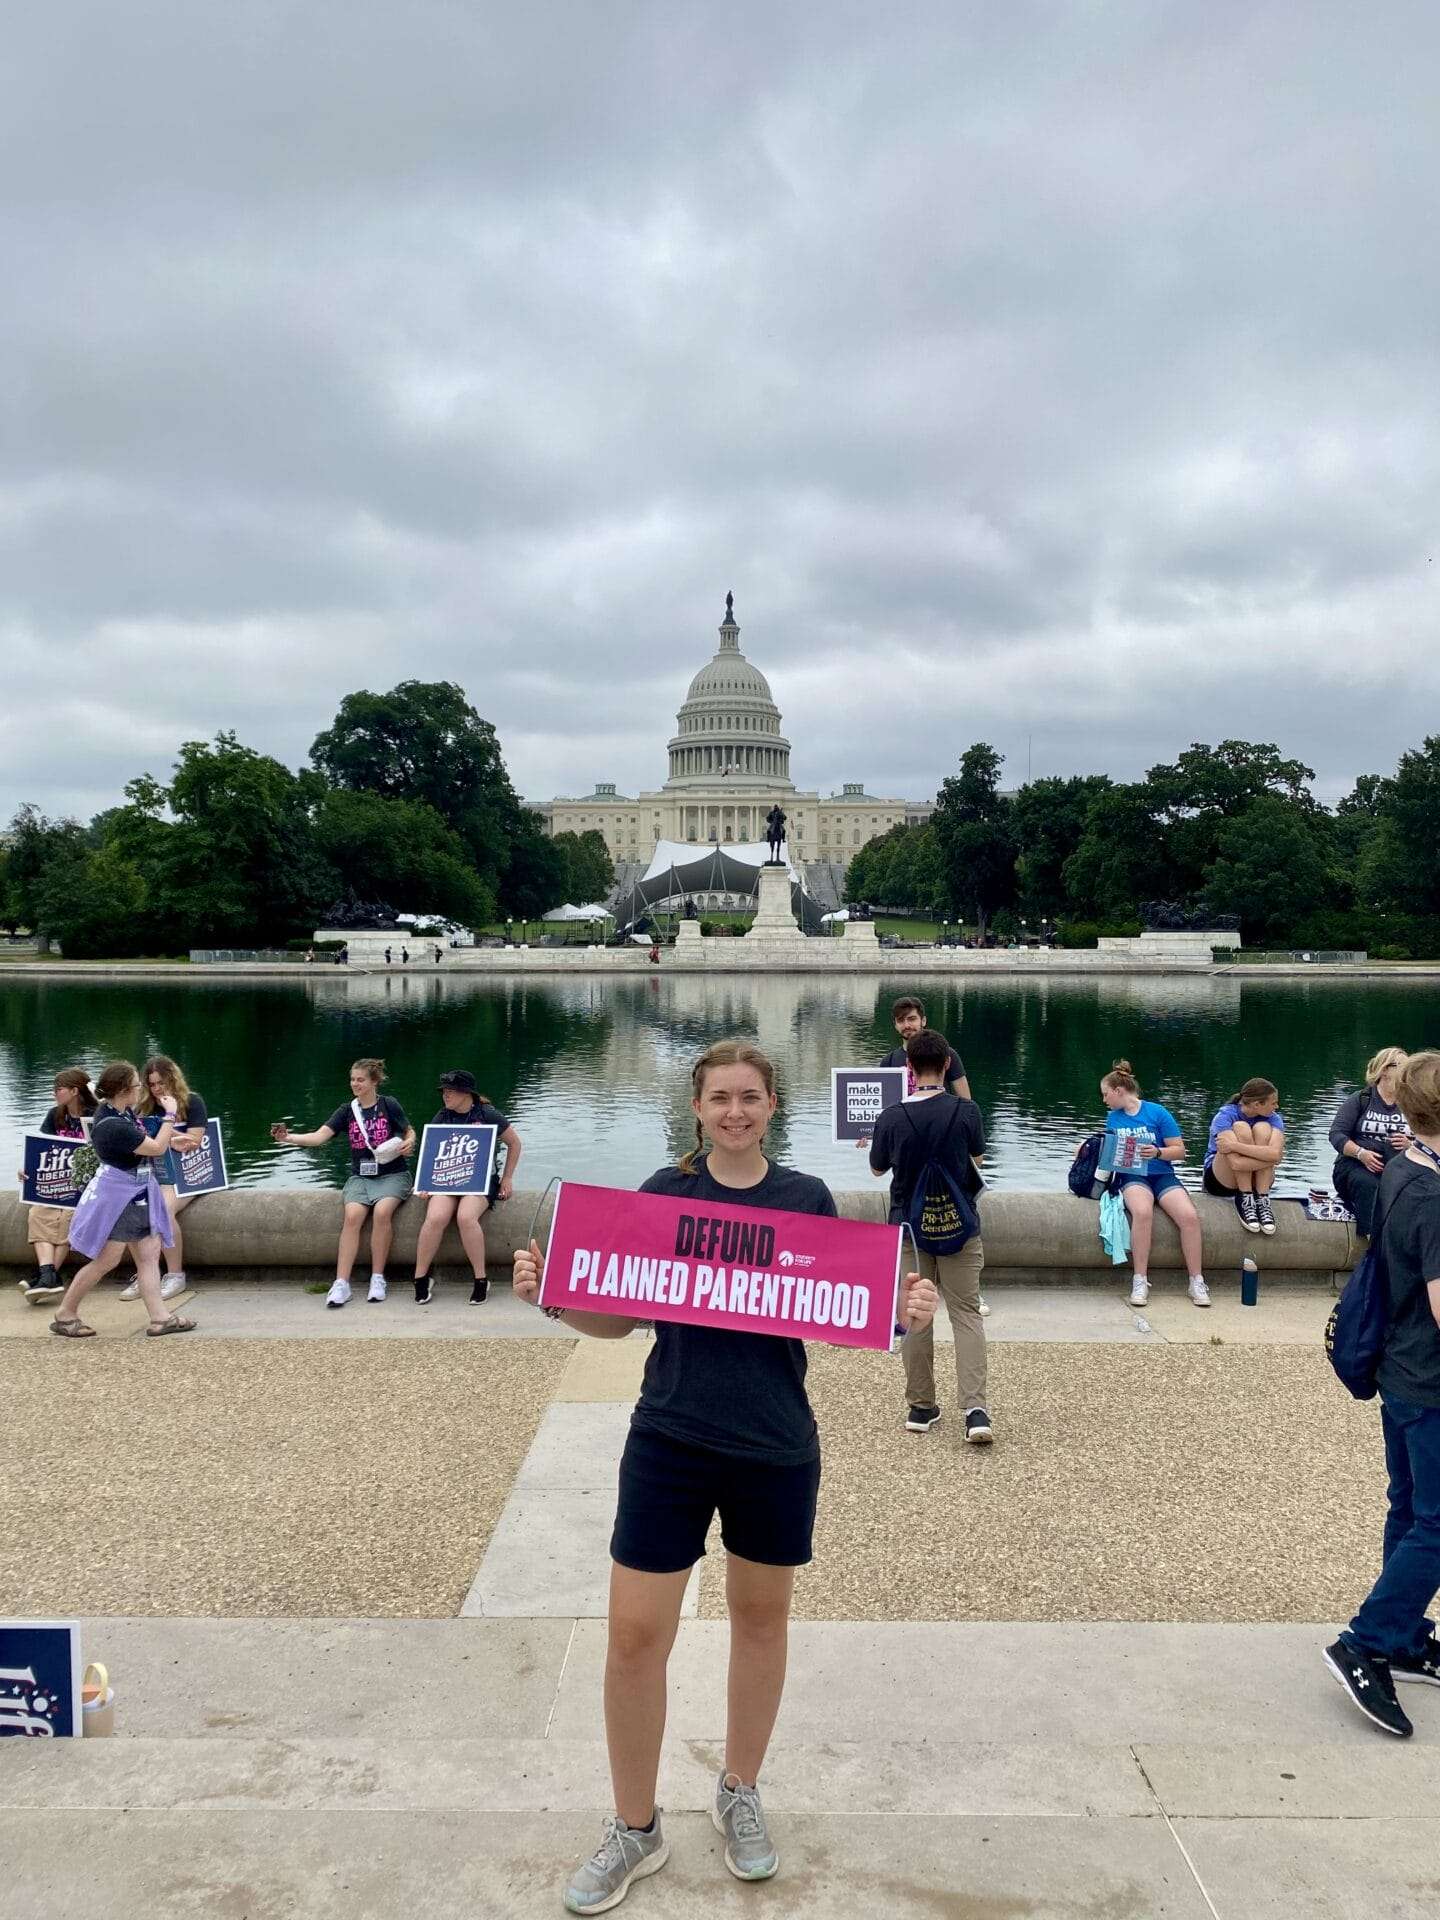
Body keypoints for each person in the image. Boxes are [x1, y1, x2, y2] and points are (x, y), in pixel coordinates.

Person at [511, 1040, 938, 1913]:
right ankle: (636, 1825)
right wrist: (554, 1297)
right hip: (670, 1434)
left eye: (750, 1097)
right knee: (633, 1637)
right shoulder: (666, 1194)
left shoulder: (804, 1199)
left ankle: (739, 1788)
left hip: (775, 1441)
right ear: (697, 1108)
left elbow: (833, 1313)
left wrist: (902, 1309)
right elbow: (621, 1317)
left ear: (773, 1105)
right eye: (720, 1099)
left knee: (760, 1622)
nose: (735, 1112)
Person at [1325, 1050, 1440, 1739]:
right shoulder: (1432, 1196)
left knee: (1412, 1507)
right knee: (1438, 1522)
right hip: (1429, 1378)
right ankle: (1365, 1639)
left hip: (1401, 1369)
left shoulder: (1403, 1168)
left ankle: (1398, 1634)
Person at [869, 1027, 992, 1442]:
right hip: (959, 1225)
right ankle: (975, 1410)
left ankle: (921, 1407)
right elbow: (977, 1155)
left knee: (915, 1315)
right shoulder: (966, 1111)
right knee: (966, 1314)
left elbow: (876, 1169)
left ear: (908, 1068)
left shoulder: (891, 1115)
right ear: (945, 1065)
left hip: (909, 1229)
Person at [48, 1061, 196, 1339]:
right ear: (125, 1090)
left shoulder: (118, 1111)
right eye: (138, 1085)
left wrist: (173, 1139)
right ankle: (65, 1313)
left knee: (149, 1254)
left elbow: (143, 1138)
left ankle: (160, 1318)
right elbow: (154, 1148)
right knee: (107, 1260)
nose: (142, 1089)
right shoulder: (112, 1124)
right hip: (119, 1199)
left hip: (137, 1194)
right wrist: (170, 1116)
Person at [270, 1058, 415, 1307]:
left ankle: (377, 1278)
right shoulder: (347, 1110)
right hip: (361, 1177)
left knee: (382, 1213)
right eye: (352, 1079)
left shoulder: (388, 1105)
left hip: (392, 1174)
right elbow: (318, 1137)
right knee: (352, 1217)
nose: (355, 1084)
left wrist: (409, 1142)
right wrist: (287, 1138)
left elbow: (409, 1130)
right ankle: (341, 1283)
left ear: (373, 1082)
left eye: (360, 1080)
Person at [1098, 1061, 1209, 1309]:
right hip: (1132, 1175)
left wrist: (1158, 1152)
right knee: (1142, 1212)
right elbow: (1112, 1153)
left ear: (1119, 1090)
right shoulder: (1112, 1118)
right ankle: (1140, 1279)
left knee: (1189, 1217)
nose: (1104, 1100)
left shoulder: (1157, 1112)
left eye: (1106, 1094)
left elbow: (1180, 1151)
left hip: (1161, 1173)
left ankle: (1196, 1280)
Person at [411, 1070, 522, 1305]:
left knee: (466, 1217)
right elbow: (432, 1152)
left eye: (450, 1091)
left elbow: (514, 1143)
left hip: (479, 1180)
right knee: (435, 1217)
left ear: (466, 1093)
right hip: (449, 1179)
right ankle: (420, 1277)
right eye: (444, 1091)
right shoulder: (442, 1116)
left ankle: (481, 1279)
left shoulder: (487, 1113)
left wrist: (507, 1178)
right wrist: (425, 1184)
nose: (445, 1095)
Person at [119, 1055, 208, 1303]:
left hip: (186, 1176)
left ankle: (175, 1274)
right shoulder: (145, 1108)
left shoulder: (192, 1102)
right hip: (154, 1174)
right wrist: (166, 1141)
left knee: (162, 1210)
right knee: (131, 1210)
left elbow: (195, 1141)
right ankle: (146, 1274)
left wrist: (168, 1139)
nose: (157, 1089)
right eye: (152, 1085)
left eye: (161, 1083)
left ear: (172, 1079)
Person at [20, 1067, 97, 1306]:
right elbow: (42, 1150)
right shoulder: (55, 1115)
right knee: (37, 1213)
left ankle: (46, 1276)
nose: (54, 1093)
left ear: (75, 1091)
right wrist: (27, 1170)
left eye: (59, 1089)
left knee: (68, 1217)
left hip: (86, 1186)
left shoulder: (96, 1116)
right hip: (57, 1184)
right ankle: (48, 1275)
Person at [1330, 1048, 1412, 1238]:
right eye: (1401, 1065)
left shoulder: (1411, 1103)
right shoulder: (1361, 1099)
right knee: (1369, 1185)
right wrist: (1361, 1153)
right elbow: (1336, 1134)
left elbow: (1429, 1138)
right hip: (1357, 1165)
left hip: (1398, 1166)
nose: (1407, 1070)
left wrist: (1410, 1145)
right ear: (1384, 1070)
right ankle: (1372, 1238)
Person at [1203, 1078, 1286, 1235]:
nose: (1277, 1107)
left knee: (1263, 1128)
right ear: (1256, 1105)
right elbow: (1236, 1164)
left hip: (1258, 1179)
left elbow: (1275, 1154)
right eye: (1273, 1103)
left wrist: (1235, 1146)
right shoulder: (1225, 1116)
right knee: (1241, 1128)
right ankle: (1245, 1198)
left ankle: (1262, 1199)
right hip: (1221, 1179)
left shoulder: (1274, 1118)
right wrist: (1269, 1159)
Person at [880, 996, 970, 1097]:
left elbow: (966, 1101)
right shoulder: (888, 1062)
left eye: (912, 1019)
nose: (906, 1025)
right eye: (901, 1020)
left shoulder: (945, 1054)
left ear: (923, 1021)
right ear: (895, 1025)